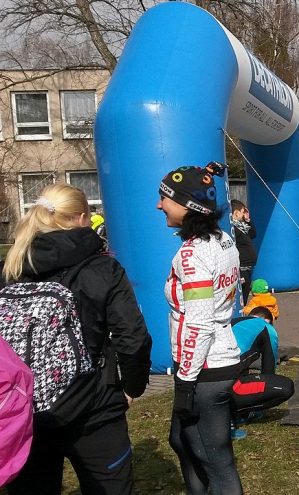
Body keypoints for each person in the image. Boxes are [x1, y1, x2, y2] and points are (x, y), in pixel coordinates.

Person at [3, 183, 152, 495]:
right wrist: (132, 387)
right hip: (94, 406)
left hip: (27, 409)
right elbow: (133, 337)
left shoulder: (13, 266)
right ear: (83, 217)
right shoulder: (103, 267)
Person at [157, 162, 244, 495]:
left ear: (187, 205)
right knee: (180, 440)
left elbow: (200, 321)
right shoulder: (222, 240)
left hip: (205, 370)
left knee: (217, 462)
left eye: (164, 198)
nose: (158, 205)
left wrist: (185, 380)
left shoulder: (192, 255)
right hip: (216, 359)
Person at [229, 307, 294, 429]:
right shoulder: (266, 327)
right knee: (286, 387)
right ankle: (235, 414)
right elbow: (269, 370)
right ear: (268, 320)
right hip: (227, 385)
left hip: (205, 384)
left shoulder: (234, 321)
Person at [231, 199, 257, 304]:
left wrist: (248, 219)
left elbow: (253, 234)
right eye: (242, 212)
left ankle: (243, 310)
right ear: (236, 213)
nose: (244, 214)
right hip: (241, 267)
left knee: (246, 292)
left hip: (248, 267)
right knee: (242, 292)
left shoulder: (242, 227)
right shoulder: (232, 228)